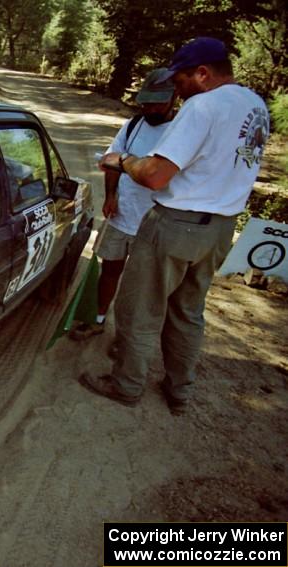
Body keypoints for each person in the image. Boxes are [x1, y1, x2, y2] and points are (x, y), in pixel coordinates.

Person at [79, 37, 270, 414]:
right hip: (219, 228)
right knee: (188, 311)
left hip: (176, 222)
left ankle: (126, 385)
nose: (177, 90)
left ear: (202, 73)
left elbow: (155, 175)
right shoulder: (254, 103)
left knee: (140, 308)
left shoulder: (202, 106)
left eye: (180, 80)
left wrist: (123, 160)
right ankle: (179, 390)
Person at [70, 69, 177, 341]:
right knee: (109, 269)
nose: (151, 108)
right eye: (147, 101)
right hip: (123, 214)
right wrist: (110, 195)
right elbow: (111, 160)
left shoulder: (180, 131)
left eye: (158, 102)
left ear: (173, 98)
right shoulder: (133, 125)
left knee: (142, 285)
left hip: (155, 221)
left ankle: (131, 339)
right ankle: (98, 318)